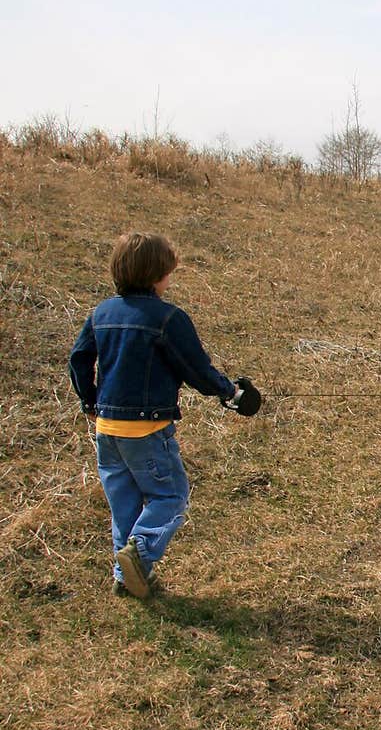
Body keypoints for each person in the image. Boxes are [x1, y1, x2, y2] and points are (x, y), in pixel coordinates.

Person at [68, 231, 261, 599]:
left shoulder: (100, 314)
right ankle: (137, 558)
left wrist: (90, 401)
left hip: (106, 431)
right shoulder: (168, 318)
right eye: (169, 272)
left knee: (124, 505)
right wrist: (231, 393)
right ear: (157, 274)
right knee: (170, 496)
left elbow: (78, 361)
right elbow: (197, 368)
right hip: (148, 429)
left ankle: (126, 578)